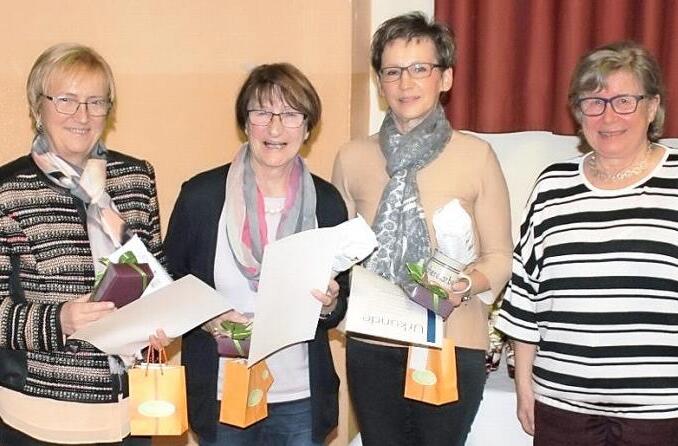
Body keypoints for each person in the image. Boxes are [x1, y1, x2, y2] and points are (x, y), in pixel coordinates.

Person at [332, 12, 513, 446]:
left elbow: (500, 258)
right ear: (380, 83)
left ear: (445, 77)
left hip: (451, 339)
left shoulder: (476, 156)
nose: (405, 83)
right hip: (374, 340)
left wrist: (463, 285)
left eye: (419, 68)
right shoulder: (352, 157)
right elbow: (337, 254)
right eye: (392, 71)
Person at [496, 41, 678, 446]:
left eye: (624, 101)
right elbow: (525, 295)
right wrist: (524, 385)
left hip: (662, 413)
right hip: (563, 409)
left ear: (652, 107)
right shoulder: (553, 186)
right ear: (579, 113)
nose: (608, 116)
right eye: (593, 102)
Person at [165, 62, 348, 446]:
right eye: (262, 112)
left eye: (291, 114)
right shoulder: (201, 197)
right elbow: (170, 283)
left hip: (299, 397)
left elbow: (338, 305)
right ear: (245, 123)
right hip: (222, 393)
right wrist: (208, 316)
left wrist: (330, 303)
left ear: (308, 128)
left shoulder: (328, 203)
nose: (275, 128)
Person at [0, 43, 168, 445]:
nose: (82, 115)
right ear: (37, 106)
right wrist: (60, 320)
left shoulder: (135, 178)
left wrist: (162, 323)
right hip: (39, 418)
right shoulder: (7, 190)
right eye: (66, 100)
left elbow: (158, 274)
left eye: (96, 102)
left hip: (133, 411)